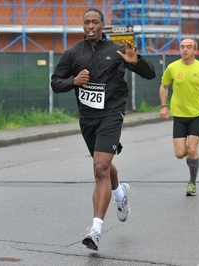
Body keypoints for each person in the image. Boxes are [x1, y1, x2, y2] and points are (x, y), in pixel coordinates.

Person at [51, 8, 156, 251]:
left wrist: (136, 61)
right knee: (104, 165)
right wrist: (73, 82)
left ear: (102, 24)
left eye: (95, 22)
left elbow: (150, 74)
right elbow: (56, 82)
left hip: (111, 113)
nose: (90, 26)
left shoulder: (116, 50)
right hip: (88, 118)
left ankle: (95, 231)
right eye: (86, 22)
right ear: (83, 25)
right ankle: (120, 193)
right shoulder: (73, 53)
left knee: (99, 168)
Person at [159, 38, 199, 196]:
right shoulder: (172, 67)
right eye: (182, 47)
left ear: (194, 50)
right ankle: (191, 159)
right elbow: (164, 86)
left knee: (192, 149)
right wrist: (164, 106)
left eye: (188, 47)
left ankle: (192, 183)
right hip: (178, 115)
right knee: (180, 154)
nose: (185, 50)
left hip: (196, 115)